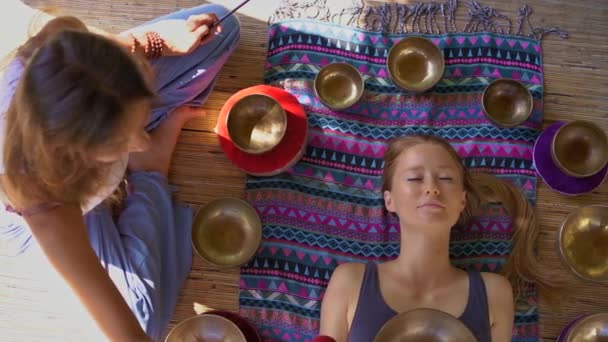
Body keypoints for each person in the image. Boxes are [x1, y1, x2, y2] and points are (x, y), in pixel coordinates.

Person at [0, 3, 240, 341]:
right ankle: (149, 171)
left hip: (97, 125)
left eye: (141, 121)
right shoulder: (47, 206)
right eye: (124, 140)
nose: (139, 142)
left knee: (219, 31)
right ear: (80, 154)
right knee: (143, 318)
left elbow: (100, 60)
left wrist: (157, 42)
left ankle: (135, 125)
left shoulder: (54, 46)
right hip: (69, 206)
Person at [320, 134, 556, 342]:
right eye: (414, 178)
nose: (432, 188)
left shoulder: (493, 292)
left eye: (445, 179)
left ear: (462, 201)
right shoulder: (350, 282)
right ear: (389, 200)